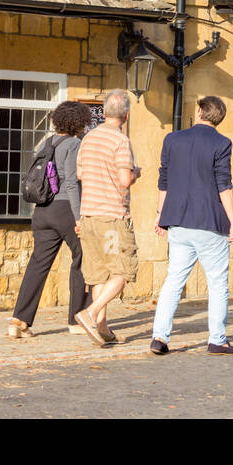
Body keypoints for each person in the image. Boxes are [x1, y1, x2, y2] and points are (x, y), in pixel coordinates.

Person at [149, 95, 233, 355]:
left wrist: (160, 213)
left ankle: (160, 337)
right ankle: (217, 339)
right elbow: (224, 184)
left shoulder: (173, 139)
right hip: (209, 222)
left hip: (178, 221)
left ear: (201, 112)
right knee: (217, 284)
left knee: (174, 281)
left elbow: (164, 179)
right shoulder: (222, 143)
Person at [7, 101, 92, 339]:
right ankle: (77, 318)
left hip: (42, 210)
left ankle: (19, 320)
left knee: (38, 264)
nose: (86, 126)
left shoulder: (46, 142)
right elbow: (72, 184)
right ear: (77, 123)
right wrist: (79, 218)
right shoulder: (74, 144)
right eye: (84, 122)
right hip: (64, 208)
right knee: (83, 256)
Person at [74, 89, 141, 346]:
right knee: (123, 271)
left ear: (103, 111)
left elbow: (80, 173)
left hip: (88, 214)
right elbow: (125, 180)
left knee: (98, 275)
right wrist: (136, 172)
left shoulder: (88, 138)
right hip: (112, 217)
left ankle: (101, 327)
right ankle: (90, 314)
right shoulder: (120, 141)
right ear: (126, 114)